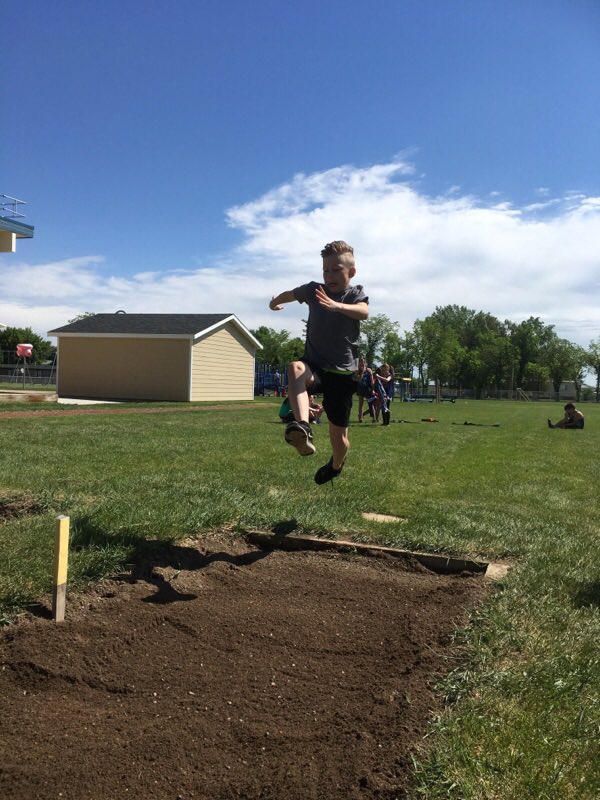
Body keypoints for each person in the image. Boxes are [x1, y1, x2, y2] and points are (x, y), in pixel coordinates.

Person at [269, 240, 369, 484]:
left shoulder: (354, 294)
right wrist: (274, 302)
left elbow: (364, 312)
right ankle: (302, 427)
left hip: (342, 375)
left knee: (340, 440)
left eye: (336, 270)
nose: (329, 275)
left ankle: (336, 465)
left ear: (351, 272)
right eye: (326, 270)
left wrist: (337, 306)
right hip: (315, 365)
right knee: (295, 368)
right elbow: (290, 294)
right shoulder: (315, 290)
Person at [356, 357, 375, 422]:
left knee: (371, 403)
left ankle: (374, 418)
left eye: (363, 363)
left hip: (368, 389)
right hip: (360, 388)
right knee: (361, 404)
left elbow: (372, 381)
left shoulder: (369, 370)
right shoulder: (357, 370)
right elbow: (359, 379)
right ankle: (360, 418)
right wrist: (361, 372)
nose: (362, 364)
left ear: (366, 363)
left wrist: (372, 389)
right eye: (360, 363)